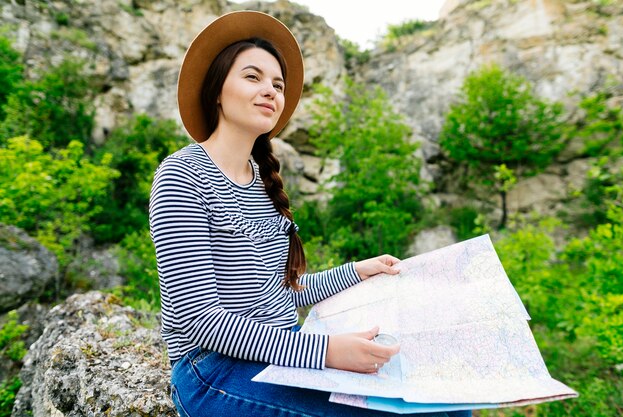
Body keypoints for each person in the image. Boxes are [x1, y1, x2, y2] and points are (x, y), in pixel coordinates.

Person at [150, 10, 471, 417]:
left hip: (281, 360)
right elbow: (202, 322)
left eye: (277, 84)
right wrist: (327, 352)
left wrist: (355, 272)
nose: (270, 90)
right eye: (252, 77)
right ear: (216, 90)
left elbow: (280, 292)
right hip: (212, 374)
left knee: (447, 402)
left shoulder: (259, 180)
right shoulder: (182, 175)